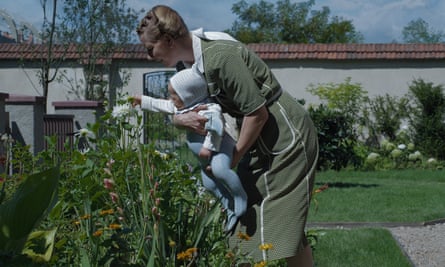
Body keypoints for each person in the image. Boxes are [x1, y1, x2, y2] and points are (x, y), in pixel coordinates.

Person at [136, 5, 319, 266]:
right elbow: (185, 109)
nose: (148, 55)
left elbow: (257, 113)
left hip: (286, 136)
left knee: (274, 220)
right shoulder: (190, 66)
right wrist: (179, 119)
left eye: (150, 48)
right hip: (259, 138)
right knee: (254, 217)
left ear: (168, 40)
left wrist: (234, 157)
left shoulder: (220, 56)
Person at [132, 68, 247, 233]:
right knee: (209, 185)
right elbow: (160, 104)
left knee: (221, 170)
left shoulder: (209, 108)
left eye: (174, 95)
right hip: (204, 158)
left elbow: (217, 127)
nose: (171, 98)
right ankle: (229, 206)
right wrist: (141, 100)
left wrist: (208, 147)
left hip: (220, 149)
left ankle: (240, 197)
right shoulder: (181, 108)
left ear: (189, 95)